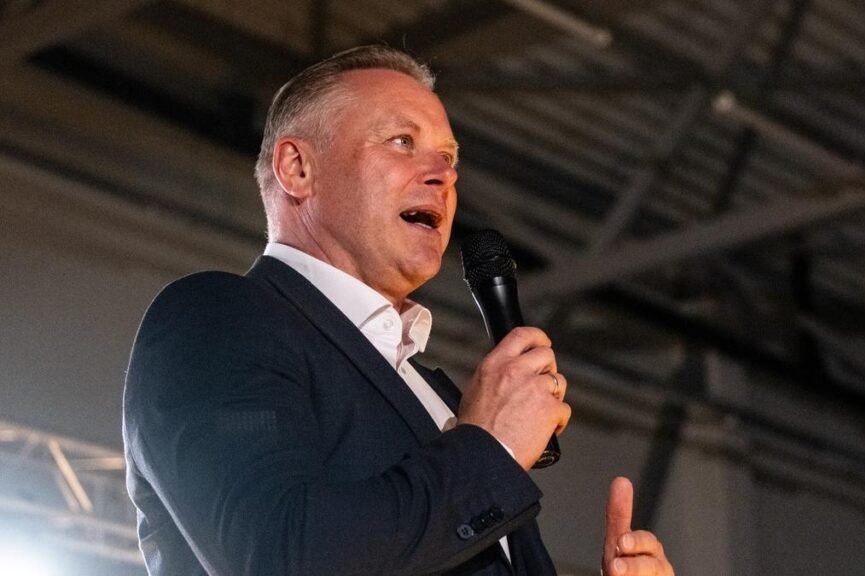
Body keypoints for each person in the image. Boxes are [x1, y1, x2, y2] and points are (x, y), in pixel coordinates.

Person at [123, 45, 674, 576]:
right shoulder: (216, 319)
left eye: (449, 157)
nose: (443, 174)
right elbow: (278, 555)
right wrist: (494, 446)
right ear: (297, 168)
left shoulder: (445, 403)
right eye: (401, 141)